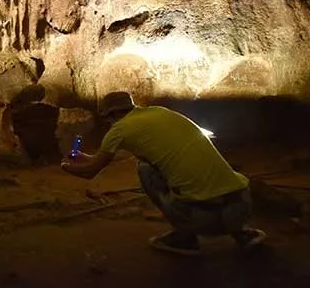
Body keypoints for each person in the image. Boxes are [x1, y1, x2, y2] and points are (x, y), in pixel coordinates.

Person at [60, 91, 266, 256]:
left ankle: (185, 237)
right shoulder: (159, 112)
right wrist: (83, 157)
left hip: (202, 218)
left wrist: (66, 167)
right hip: (241, 206)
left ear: (110, 115)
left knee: (145, 168)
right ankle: (242, 234)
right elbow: (97, 159)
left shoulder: (119, 129)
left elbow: (91, 172)